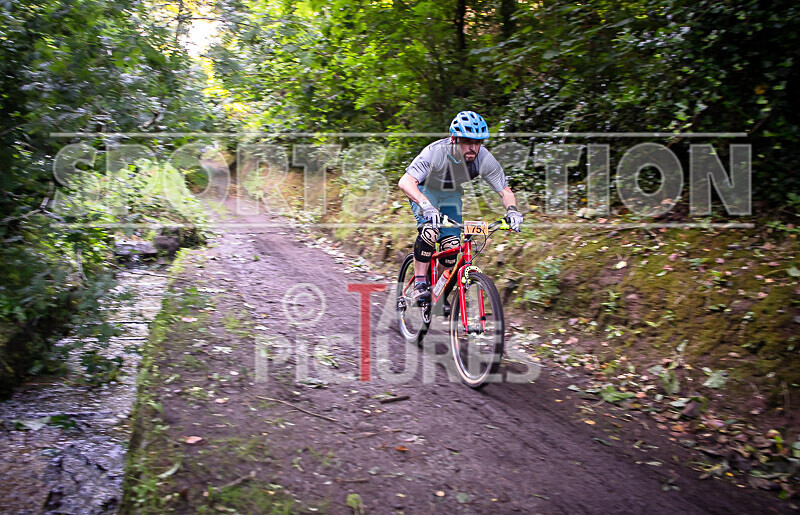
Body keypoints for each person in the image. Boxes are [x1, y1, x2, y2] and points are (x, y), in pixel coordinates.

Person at [398, 111, 523, 304]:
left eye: (478, 142)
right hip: (425, 189)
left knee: (452, 245)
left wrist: (512, 211)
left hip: (451, 193)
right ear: (454, 139)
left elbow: (505, 191)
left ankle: (437, 292)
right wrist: (425, 205)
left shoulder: (483, 158)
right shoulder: (435, 152)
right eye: (467, 142)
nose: (473, 148)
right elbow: (406, 182)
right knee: (430, 230)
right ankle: (420, 284)